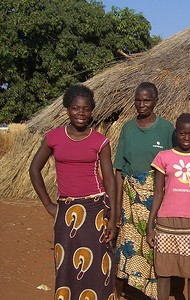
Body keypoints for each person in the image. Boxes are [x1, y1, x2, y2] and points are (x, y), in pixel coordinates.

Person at [29, 84, 117, 299]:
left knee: (99, 265)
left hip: (96, 208)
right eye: (76, 108)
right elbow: (34, 169)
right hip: (66, 211)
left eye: (86, 109)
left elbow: (110, 180)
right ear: (67, 108)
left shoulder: (100, 141)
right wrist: (49, 205)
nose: (81, 113)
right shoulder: (53, 138)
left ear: (91, 111)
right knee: (67, 263)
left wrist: (113, 217)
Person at [114, 82, 175, 299]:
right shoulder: (128, 128)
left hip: (156, 197)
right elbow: (119, 170)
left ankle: (152, 293)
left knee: (153, 246)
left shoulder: (167, 129)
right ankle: (123, 292)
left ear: (156, 101)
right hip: (130, 198)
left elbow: (173, 167)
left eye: (146, 100)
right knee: (126, 246)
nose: (141, 104)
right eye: (138, 100)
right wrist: (117, 207)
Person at [146, 113, 190, 300]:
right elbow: (158, 192)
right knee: (164, 271)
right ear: (176, 132)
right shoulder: (164, 157)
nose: (186, 138)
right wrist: (151, 225)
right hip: (166, 222)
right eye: (183, 133)